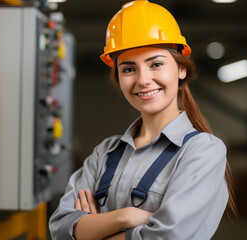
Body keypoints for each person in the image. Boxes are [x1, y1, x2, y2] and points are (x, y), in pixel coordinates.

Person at [49, 1, 236, 239]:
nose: (143, 79)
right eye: (128, 69)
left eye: (156, 64)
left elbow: (168, 236)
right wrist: (125, 217)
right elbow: (60, 229)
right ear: (118, 77)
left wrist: (95, 229)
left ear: (181, 69)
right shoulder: (105, 153)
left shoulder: (203, 151)